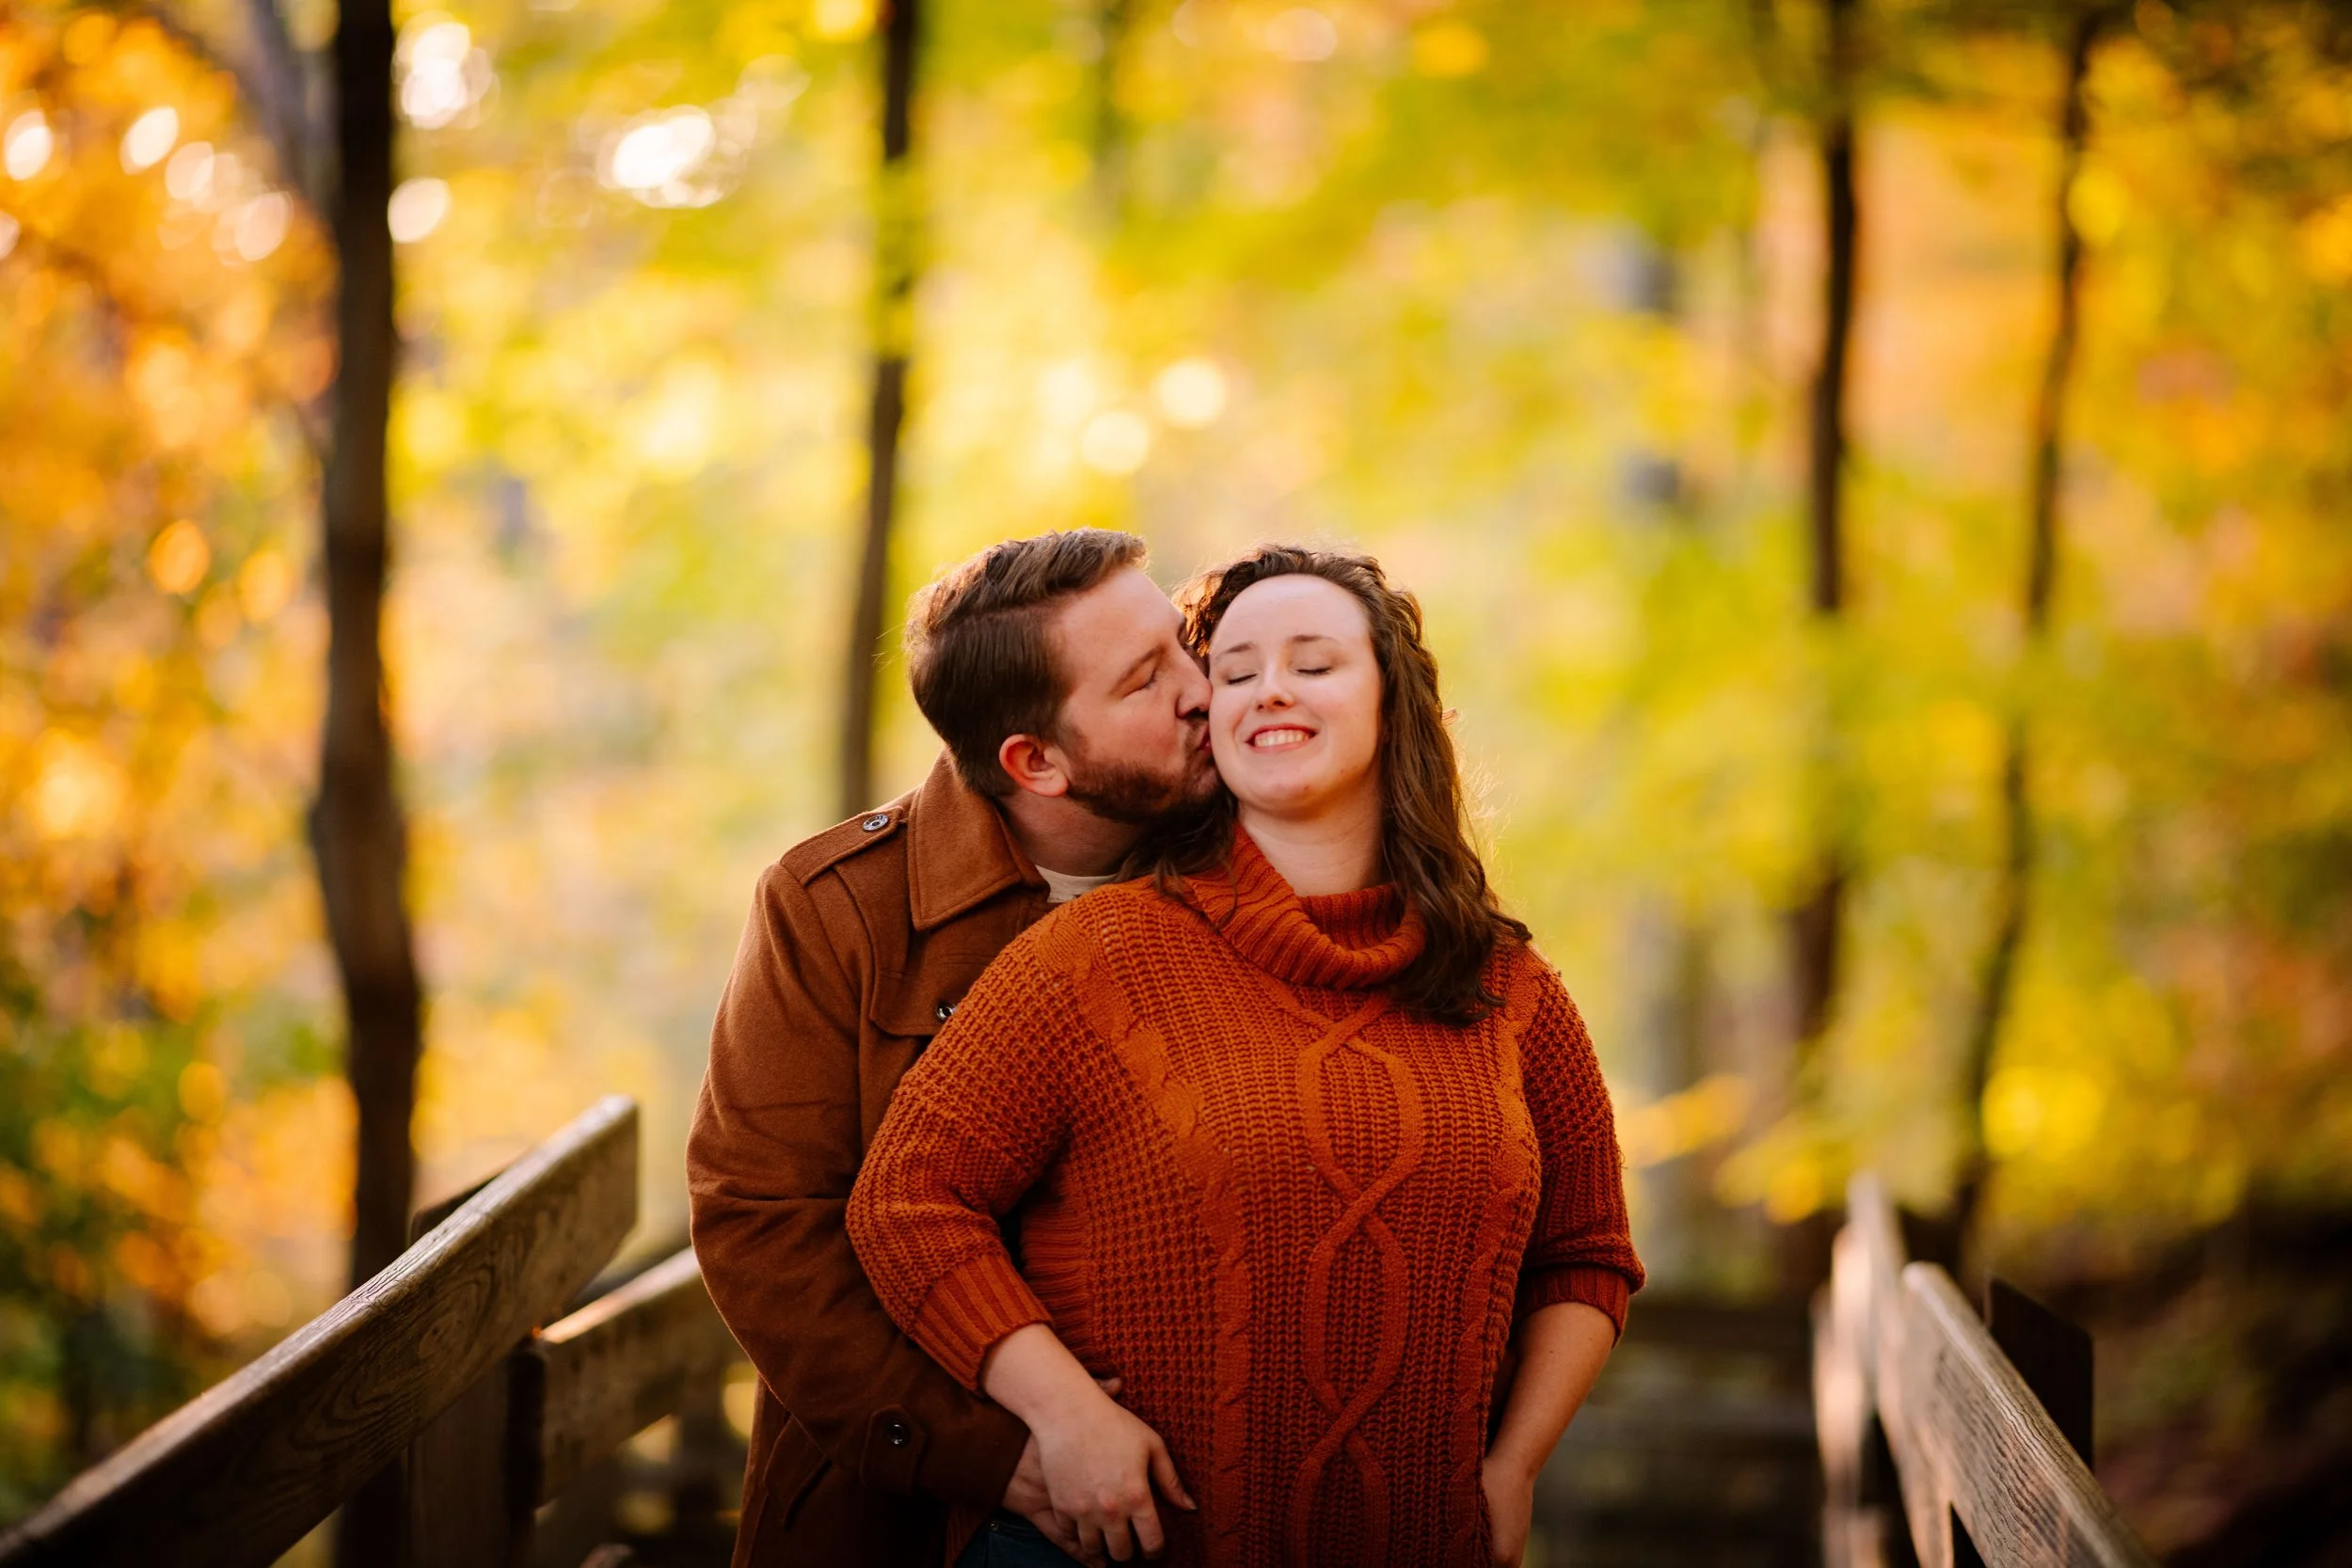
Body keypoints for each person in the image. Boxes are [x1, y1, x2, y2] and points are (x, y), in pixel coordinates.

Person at [848, 545, 1645, 1568]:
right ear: (1213, 721)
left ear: (1392, 705)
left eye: (1313, 663)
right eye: (1232, 669)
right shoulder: (1096, 955)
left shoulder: (1509, 987)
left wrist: (1515, 1462)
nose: (1270, 686)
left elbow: (1586, 1253)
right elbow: (906, 1200)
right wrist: (1063, 1413)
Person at [688, 529, 1217, 1568]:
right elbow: (762, 1226)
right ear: (1036, 762)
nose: (1201, 690)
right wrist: (998, 1451)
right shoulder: (838, 907)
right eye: (1145, 680)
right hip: (899, 1515)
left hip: (1203, 1490)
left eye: (1183, 646)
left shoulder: (1251, 867)